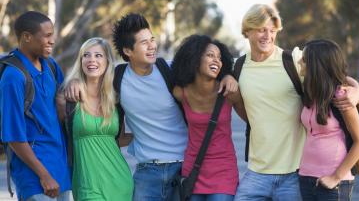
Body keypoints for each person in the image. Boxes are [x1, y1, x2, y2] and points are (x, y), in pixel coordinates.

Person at [64, 13, 238, 201]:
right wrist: (74, 82)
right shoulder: (118, 77)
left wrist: (228, 75)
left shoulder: (170, 69)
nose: (152, 46)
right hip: (147, 172)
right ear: (128, 51)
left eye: (152, 40)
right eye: (143, 43)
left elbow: (207, 69)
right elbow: (94, 73)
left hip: (183, 167)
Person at [234, 4, 359, 201]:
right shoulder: (238, 67)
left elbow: (332, 75)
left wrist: (356, 90)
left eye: (272, 30)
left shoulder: (292, 59)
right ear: (247, 31)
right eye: (261, 30)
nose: (268, 36)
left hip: (295, 173)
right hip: (257, 172)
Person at [0, 11, 71, 200]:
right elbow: (13, 137)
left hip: (61, 169)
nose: (52, 40)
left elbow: (62, 109)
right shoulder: (13, 77)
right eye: (47, 35)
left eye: (52, 35)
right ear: (26, 37)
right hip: (35, 178)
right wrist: (44, 176)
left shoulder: (51, 66)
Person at [171, 34, 247, 201]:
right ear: (195, 59)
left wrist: (229, 76)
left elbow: (251, 120)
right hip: (193, 168)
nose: (216, 61)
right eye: (210, 55)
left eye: (219, 58)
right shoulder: (180, 92)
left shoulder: (229, 92)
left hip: (223, 170)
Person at [58, 37, 133, 200]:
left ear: (107, 61)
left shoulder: (116, 98)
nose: (92, 59)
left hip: (120, 182)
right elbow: (58, 138)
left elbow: (117, 140)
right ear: (81, 60)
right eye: (87, 55)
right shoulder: (67, 98)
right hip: (87, 185)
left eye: (98, 55)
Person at [297, 39, 359, 201]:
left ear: (316, 65)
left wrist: (336, 177)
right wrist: (356, 85)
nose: (300, 61)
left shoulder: (341, 97)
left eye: (305, 59)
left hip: (334, 183)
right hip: (306, 178)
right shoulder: (309, 92)